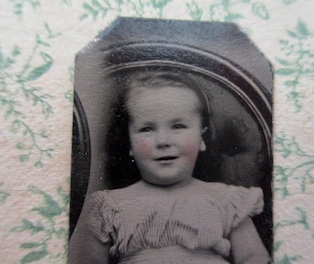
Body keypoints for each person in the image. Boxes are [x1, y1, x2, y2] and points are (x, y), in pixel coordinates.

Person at [69, 70, 271, 264]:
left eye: (178, 126)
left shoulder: (228, 202)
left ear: (201, 136)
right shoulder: (108, 207)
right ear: (130, 143)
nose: (163, 141)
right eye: (147, 129)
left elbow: (254, 258)